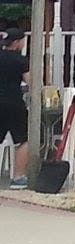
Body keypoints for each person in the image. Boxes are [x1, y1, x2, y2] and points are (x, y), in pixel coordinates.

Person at [0, 29, 29, 189]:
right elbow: (31, 81)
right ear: (17, 42)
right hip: (14, 103)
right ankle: (18, 178)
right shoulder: (21, 60)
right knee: (23, 139)